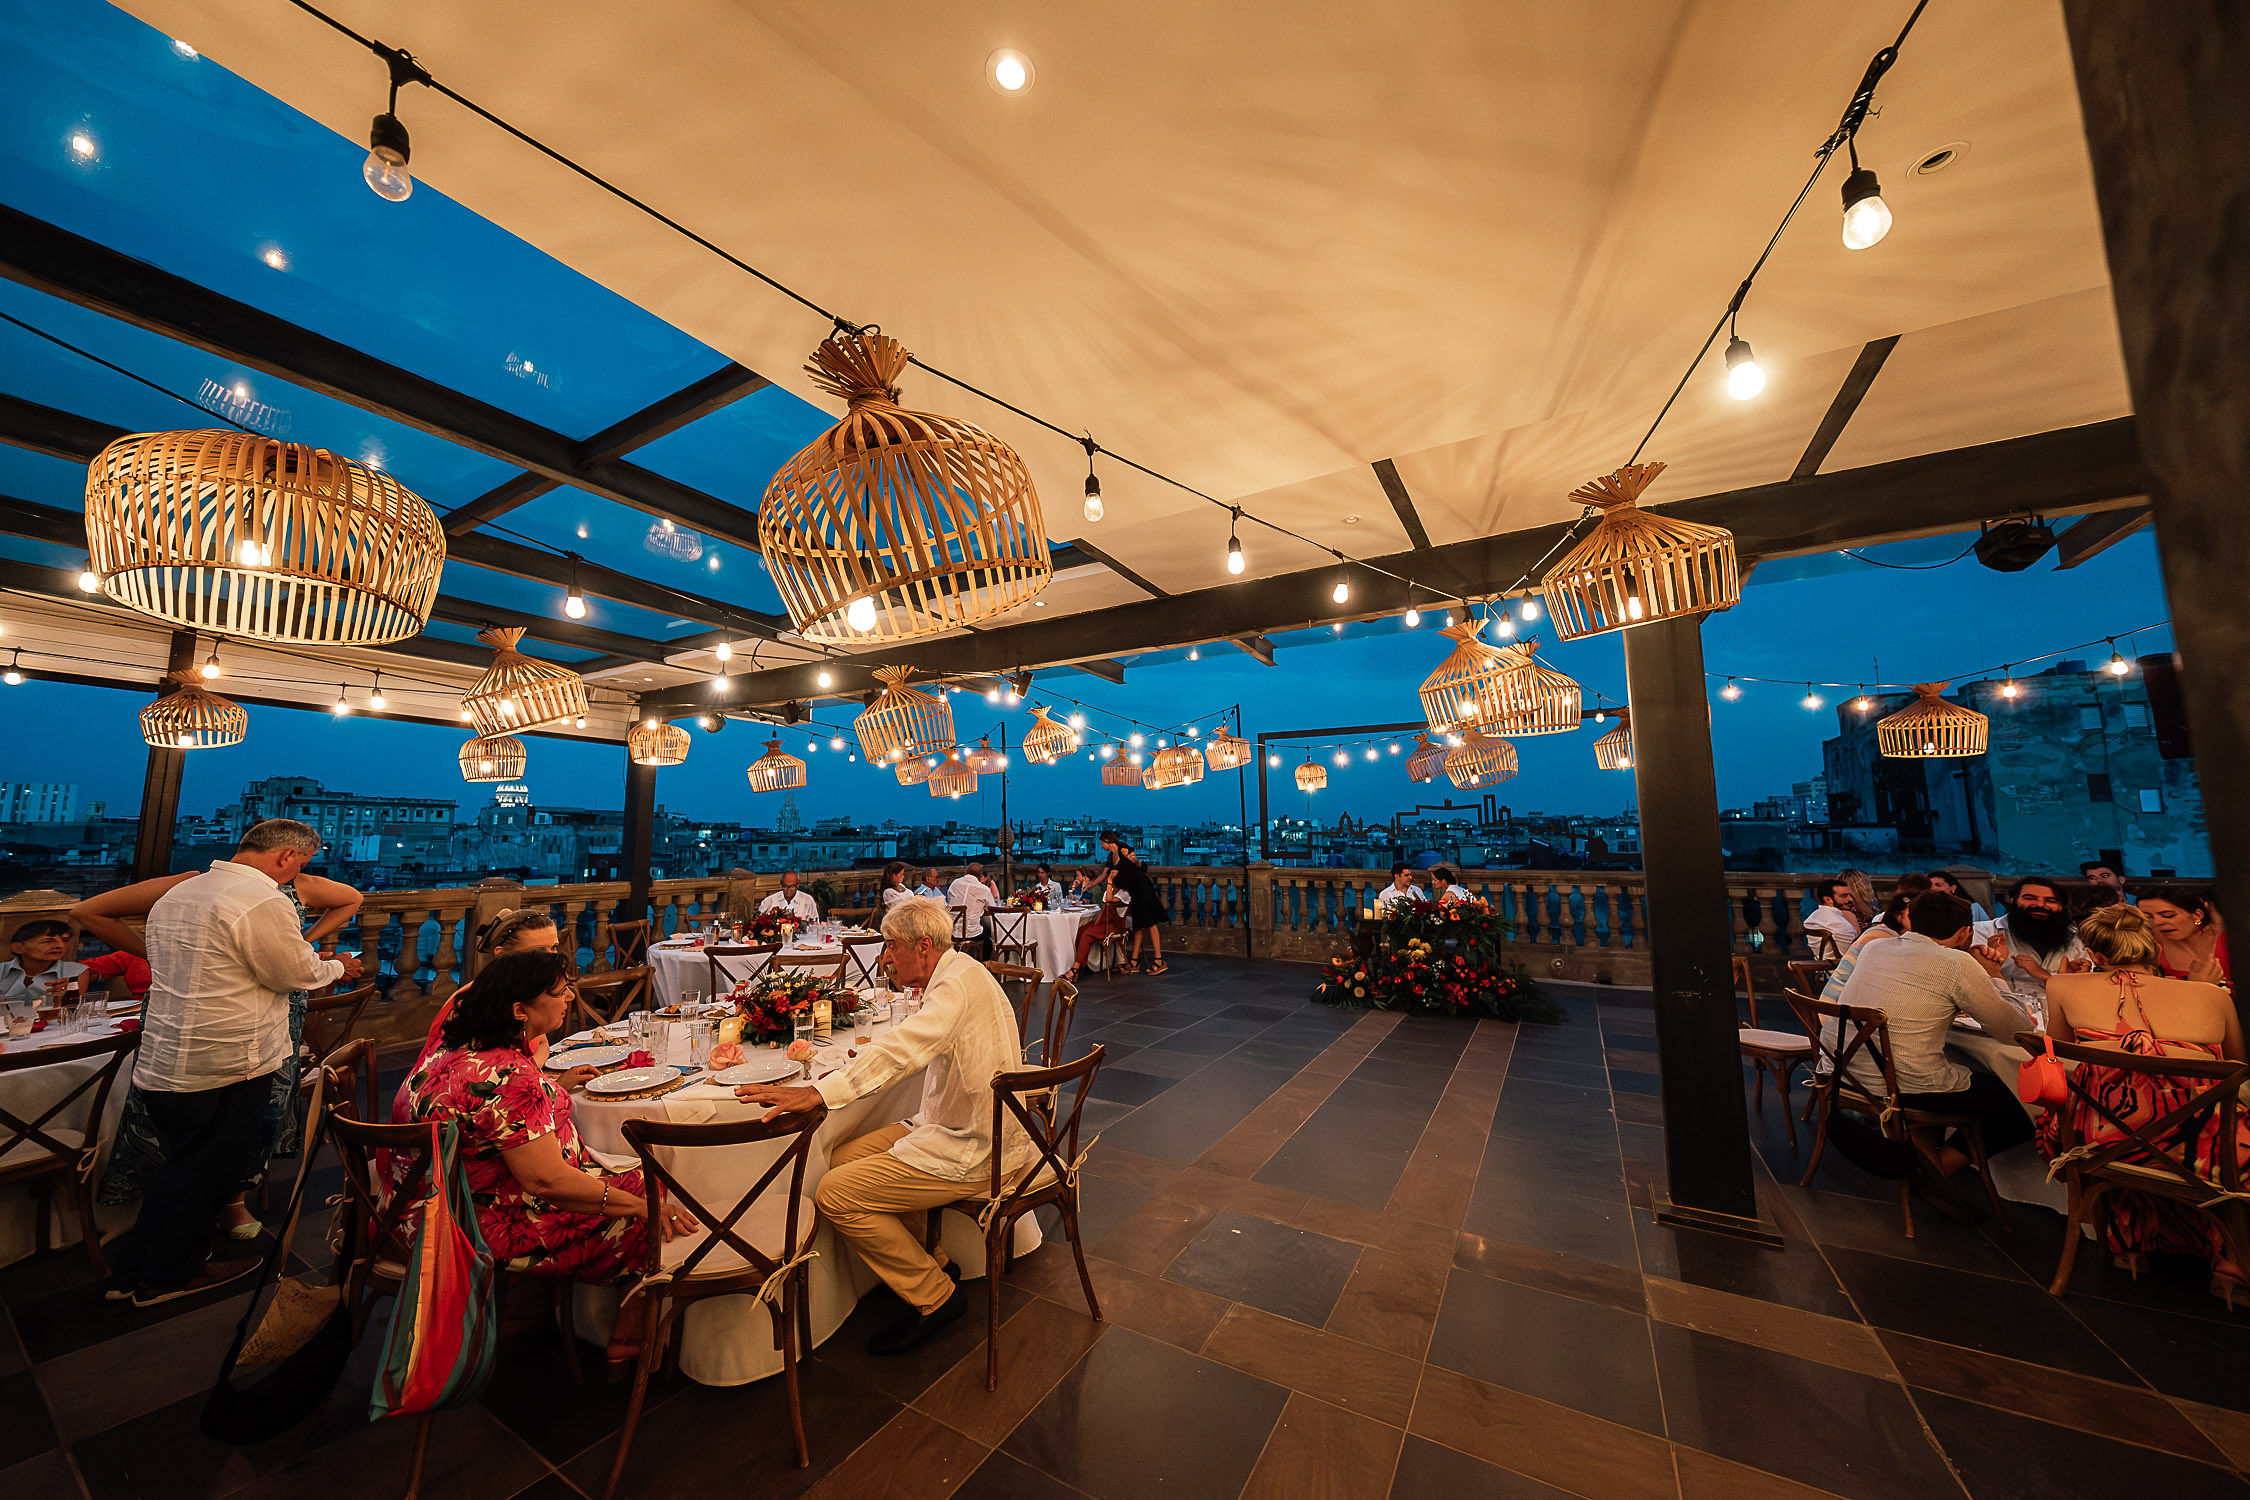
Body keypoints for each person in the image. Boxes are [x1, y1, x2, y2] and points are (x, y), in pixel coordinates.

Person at [733, 897, 1028, 1355]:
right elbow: (909, 1040)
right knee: (841, 1155)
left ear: (924, 947)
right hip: (952, 1123)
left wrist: (819, 1093)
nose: (885, 957)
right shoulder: (959, 972)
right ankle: (935, 1261)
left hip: (976, 1144)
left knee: (834, 1192)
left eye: (891, 946)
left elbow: (906, 1047)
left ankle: (937, 1297)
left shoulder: (954, 987)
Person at [101, 820, 361, 1305]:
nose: (297, 874)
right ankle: (167, 1277)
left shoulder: (182, 893)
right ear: (286, 856)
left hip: (166, 1055)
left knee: (178, 1163)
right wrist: (338, 966)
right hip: (227, 1058)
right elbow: (293, 972)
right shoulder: (263, 900)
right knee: (207, 1169)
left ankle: (138, 1268)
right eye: (301, 864)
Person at [399, 950, 695, 1364]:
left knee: (625, 1180)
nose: (570, 998)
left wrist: (551, 1083)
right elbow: (547, 1182)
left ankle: (528, 1311)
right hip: (482, 1227)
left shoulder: (444, 1055)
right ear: (520, 1009)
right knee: (655, 1188)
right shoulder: (508, 1075)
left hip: (431, 1206)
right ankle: (630, 1335)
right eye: (559, 992)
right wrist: (642, 1206)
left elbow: (492, 1119)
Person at [2043, 904, 2246, 1294]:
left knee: (2094, 1117)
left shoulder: (2060, 986)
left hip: (2100, 1138)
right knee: (2219, 1128)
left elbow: (2059, 1054)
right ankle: (2234, 1261)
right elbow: (2237, 1067)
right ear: (2153, 947)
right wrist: (2206, 990)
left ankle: (2130, 1240)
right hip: (2202, 1146)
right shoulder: (2212, 996)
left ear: (2096, 954)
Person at [1834, 891, 2037, 1191]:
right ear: (1966, 931)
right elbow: (2015, 1031)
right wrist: (1994, 974)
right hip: (1903, 1086)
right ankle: (1937, 1169)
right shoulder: (1956, 963)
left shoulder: (1875, 948)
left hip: (1850, 1074)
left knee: (1955, 1066)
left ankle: (1928, 1156)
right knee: (2023, 1102)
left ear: (1911, 921)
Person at [1968, 877, 2088, 1018]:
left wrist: (2047, 977)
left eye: (2051, 901)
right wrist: (1994, 966)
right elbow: (1973, 987)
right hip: (2001, 1021)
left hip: (2066, 1021)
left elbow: (2087, 988)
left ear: (2061, 907)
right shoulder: (1983, 932)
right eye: (2030, 898)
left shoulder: (2077, 938)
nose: (2040, 905)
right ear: (2013, 901)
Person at [1101, 832, 1171, 974]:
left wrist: (1131, 858)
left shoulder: (1123, 848)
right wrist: (1088, 885)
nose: (1101, 846)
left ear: (1107, 841)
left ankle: (1159, 960)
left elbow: (1137, 863)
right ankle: (1134, 961)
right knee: (1138, 924)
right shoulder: (1111, 857)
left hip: (1142, 889)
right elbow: (1104, 875)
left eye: (1102, 843)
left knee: (1150, 923)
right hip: (1135, 891)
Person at [2138, 887, 2230, 987]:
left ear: (2197, 915)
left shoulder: (2229, 940)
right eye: (2148, 917)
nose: (2157, 922)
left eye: (2168, 915)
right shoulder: (2146, 950)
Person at [0, 919, 86, 1007]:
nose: (60, 946)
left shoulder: (75, 973)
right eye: (48, 941)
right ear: (18, 947)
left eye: (65, 940)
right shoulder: (3, 971)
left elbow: (72, 1012)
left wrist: (58, 996)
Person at [1062, 881, 1130, 981]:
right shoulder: (1110, 891)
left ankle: (1075, 969)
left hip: (1115, 926)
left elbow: (1109, 900)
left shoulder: (1124, 894)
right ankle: (1080, 965)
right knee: (1081, 930)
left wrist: (1110, 882)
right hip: (1104, 923)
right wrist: (1095, 924)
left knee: (1087, 934)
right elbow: (1103, 910)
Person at [1803, 878, 1862, 961]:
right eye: (1844, 896)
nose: (1850, 899)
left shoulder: (1812, 918)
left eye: (1850, 895)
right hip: (1841, 970)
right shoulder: (1840, 924)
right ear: (1828, 899)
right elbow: (1854, 956)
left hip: (1822, 968)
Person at [947, 863, 997, 958]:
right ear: (980, 876)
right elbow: (992, 909)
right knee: (989, 939)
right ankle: (983, 965)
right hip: (971, 934)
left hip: (952, 932)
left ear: (966, 872)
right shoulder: (984, 889)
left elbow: (950, 903)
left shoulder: (954, 884)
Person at [1926, 871, 1991, 924]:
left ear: (1953, 887)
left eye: (1938, 885)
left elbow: (1988, 930)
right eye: (1929, 885)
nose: (1933, 888)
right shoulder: (1923, 910)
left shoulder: (1974, 908)